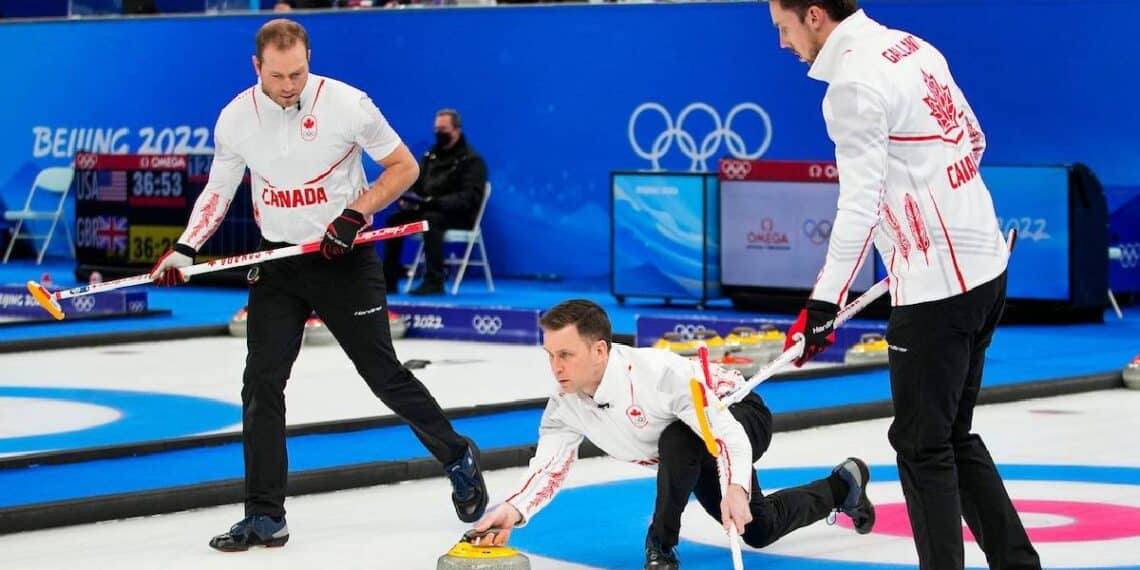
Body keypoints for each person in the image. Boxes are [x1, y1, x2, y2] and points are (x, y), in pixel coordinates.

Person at [148, 18, 487, 552]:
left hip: (344, 259)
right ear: (256, 66)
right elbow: (219, 188)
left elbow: (403, 168)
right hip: (280, 262)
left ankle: (456, 454)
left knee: (382, 375)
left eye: (298, 74)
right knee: (261, 384)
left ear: (309, 61)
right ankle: (265, 515)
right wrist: (187, 246)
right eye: (277, 76)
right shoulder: (236, 117)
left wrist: (356, 213)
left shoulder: (348, 104)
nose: (289, 86)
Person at [768, 1, 1040, 569]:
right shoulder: (913, 47)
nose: (782, 43)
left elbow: (860, 206)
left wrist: (824, 302)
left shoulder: (851, 86)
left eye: (783, 27)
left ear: (814, 15)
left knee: (922, 448)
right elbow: (973, 140)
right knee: (951, 437)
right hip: (986, 269)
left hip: (937, 293)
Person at [470, 299, 875, 569]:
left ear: (599, 351)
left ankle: (660, 546)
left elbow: (727, 435)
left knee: (678, 438)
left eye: (565, 355)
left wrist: (735, 487)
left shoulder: (658, 376)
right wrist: (514, 509)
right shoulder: (565, 404)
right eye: (550, 355)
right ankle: (842, 487)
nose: (556, 367)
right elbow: (548, 468)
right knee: (759, 529)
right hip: (689, 452)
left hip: (738, 412)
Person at [382, 109, 487, 296]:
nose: (439, 133)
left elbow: (468, 198)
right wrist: (407, 198)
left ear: (457, 130)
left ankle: (434, 281)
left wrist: (435, 202)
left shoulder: (472, 161)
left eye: (443, 129)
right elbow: (416, 183)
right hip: (427, 209)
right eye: (436, 129)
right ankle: (389, 280)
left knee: (430, 220)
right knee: (394, 220)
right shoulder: (430, 156)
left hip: (459, 216)